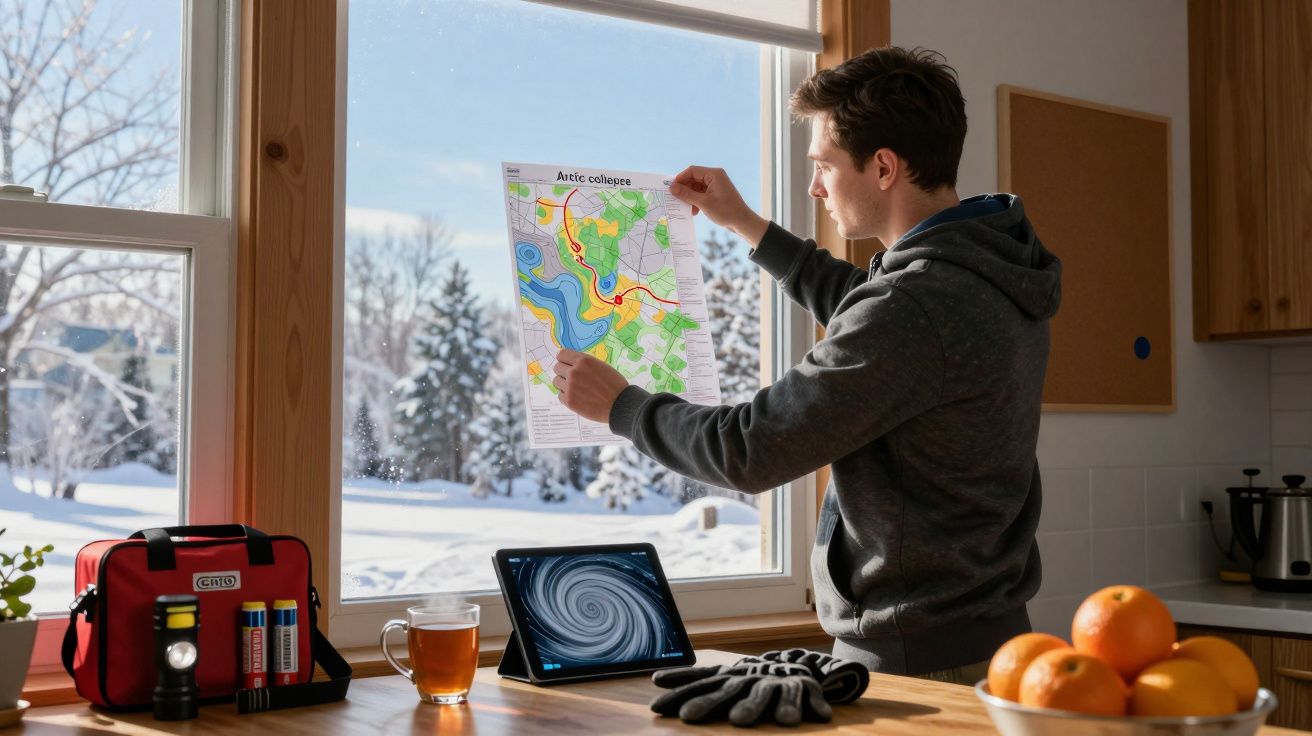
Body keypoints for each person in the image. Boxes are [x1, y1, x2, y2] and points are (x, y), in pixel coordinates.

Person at [551, 46, 1061, 681]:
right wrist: (745, 224)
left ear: (883, 167)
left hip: (918, 665)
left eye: (823, 165)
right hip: (983, 644)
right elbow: (867, 306)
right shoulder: (988, 271)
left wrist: (623, 407)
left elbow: (750, 450)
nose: (815, 186)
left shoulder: (914, 306)